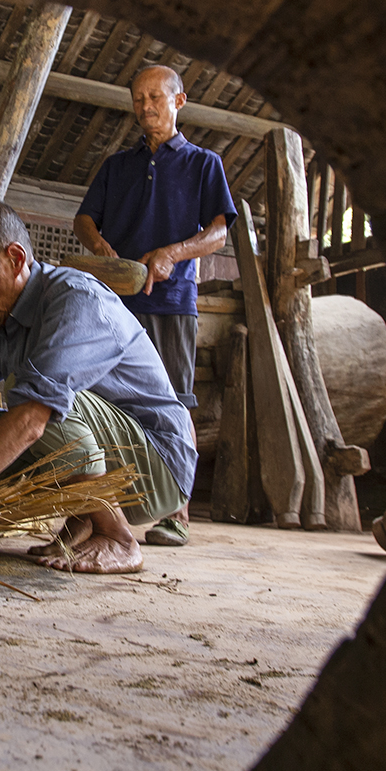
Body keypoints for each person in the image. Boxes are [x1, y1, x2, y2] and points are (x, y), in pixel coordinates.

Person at [0, 197, 197, 574]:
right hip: (109, 457)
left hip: (155, 467)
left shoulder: (76, 300)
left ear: (14, 258)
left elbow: (32, 421)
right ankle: (84, 515)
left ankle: (117, 536)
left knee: (36, 401)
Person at [73, 64, 237, 547]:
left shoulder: (204, 163)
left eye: (155, 98)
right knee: (101, 396)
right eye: (138, 98)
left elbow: (219, 232)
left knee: (175, 399)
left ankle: (177, 512)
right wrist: (98, 244)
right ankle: (96, 511)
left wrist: (173, 253)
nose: (145, 106)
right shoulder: (116, 166)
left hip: (170, 299)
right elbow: (84, 219)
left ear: (178, 102)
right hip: (113, 301)